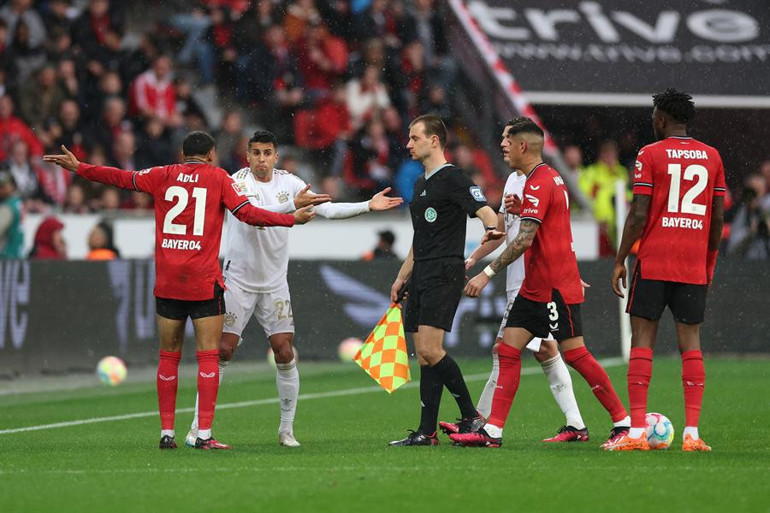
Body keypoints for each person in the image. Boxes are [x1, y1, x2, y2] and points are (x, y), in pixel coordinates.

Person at [43, 132, 317, 451]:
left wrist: (81, 168)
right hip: (203, 280)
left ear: (181, 153)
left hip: (169, 281)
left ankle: (167, 432)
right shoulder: (219, 178)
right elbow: (248, 214)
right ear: (212, 155)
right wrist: (289, 219)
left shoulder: (162, 175)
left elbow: (121, 178)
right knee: (209, 356)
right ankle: (203, 434)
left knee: (168, 356)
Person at [185, 129, 402, 448]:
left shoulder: (290, 183)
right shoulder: (236, 182)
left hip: (274, 282)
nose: (261, 159)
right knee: (223, 350)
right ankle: (197, 428)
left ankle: (286, 430)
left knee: (284, 351)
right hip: (238, 280)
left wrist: (367, 205)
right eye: (256, 153)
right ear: (248, 156)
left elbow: (326, 210)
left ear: (275, 155)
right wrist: (290, 208)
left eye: (267, 153)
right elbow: (252, 219)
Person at [451, 117, 630, 449]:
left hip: (553, 287)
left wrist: (486, 273)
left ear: (523, 146)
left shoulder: (540, 182)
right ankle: (492, 431)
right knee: (507, 350)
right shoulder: (539, 180)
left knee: (574, 353)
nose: (502, 145)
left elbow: (523, 241)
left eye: (508, 140)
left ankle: (623, 422)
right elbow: (541, 230)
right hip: (535, 285)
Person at [609, 89, 726, 451]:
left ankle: (637, 432)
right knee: (691, 343)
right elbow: (718, 217)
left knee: (642, 340)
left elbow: (640, 213)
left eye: (653, 117)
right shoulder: (712, 156)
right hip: (692, 263)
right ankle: (692, 434)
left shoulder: (650, 154)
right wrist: (708, 260)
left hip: (656, 260)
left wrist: (620, 258)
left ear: (661, 119)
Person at [388, 114, 504, 446]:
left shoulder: (454, 178)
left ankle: (471, 417)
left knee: (430, 348)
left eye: (414, 137)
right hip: (422, 270)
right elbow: (419, 236)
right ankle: (426, 432)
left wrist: (490, 226)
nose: (408, 144)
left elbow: (484, 209)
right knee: (423, 355)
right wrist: (401, 277)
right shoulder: (421, 183)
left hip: (444, 270)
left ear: (434, 140)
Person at [0, 168, 23, 259]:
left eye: (3, 187)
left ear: (12, 186)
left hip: (5, 255)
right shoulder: (18, 203)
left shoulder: (7, 207)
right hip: (17, 253)